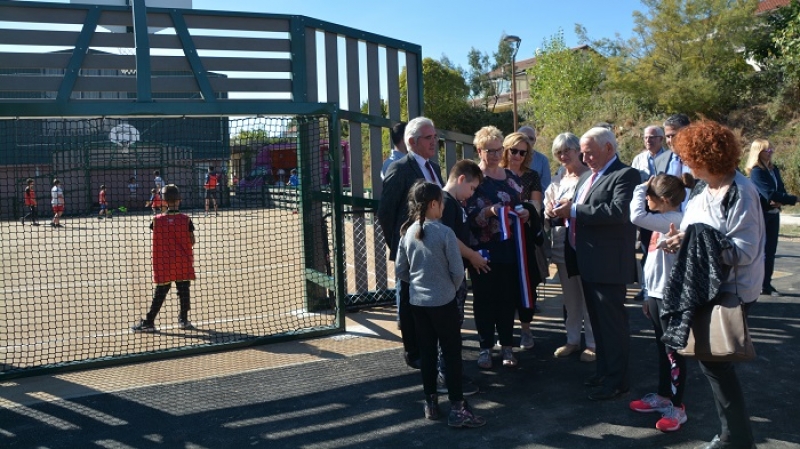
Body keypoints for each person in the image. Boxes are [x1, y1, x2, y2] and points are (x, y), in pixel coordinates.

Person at [661, 120, 764, 449]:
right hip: (704, 287)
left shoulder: (741, 192)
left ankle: (736, 439)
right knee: (714, 365)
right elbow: (695, 232)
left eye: (689, 156)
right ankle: (732, 436)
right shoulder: (704, 188)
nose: (685, 163)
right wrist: (678, 240)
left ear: (707, 156)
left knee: (717, 364)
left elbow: (745, 253)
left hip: (729, 292)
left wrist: (698, 243)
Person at [550, 127, 639, 401]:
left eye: (589, 152)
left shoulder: (626, 175)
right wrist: (564, 206)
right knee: (599, 325)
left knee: (612, 326)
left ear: (609, 149)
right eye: (583, 153)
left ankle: (617, 381)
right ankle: (604, 373)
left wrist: (573, 209)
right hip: (587, 261)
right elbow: (581, 206)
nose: (584, 158)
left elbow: (617, 212)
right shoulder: (588, 176)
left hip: (608, 264)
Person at [395, 181, 486, 428]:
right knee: (451, 353)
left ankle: (431, 402)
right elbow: (457, 271)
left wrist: (418, 285)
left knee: (427, 352)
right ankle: (457, 407)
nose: (444, 206)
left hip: (418, 303)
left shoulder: (407, 233)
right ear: (434, 204)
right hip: (443, 301)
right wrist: (450, 288)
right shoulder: (445, 233)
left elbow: (401, 270)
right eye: (442, 202)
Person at [377, 116, 445, 370]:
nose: (434, 142)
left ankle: (429, 344)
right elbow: (386, 211)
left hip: (434, 247)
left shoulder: (434, 169)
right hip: (410, 247)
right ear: (412, 141)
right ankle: (412, 350)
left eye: (435, 136)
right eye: (429, 138)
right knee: (407, 298)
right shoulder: (400, 168)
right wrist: (397, 246)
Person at [464, 126, 531, 369]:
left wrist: (523, 215)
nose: (494, 155)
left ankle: (507, 346)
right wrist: (488, 212)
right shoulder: (474, 179)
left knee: (506, 300)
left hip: (510, 250)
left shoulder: (512, 178)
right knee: (484, 301)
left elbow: (521, 207)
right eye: (488, 150)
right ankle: (484, 347)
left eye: (497, 150)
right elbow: (468, 216)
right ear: (479, 151)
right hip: (482, 251)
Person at [628, 174, 689, 432]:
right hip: (656, 294)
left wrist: (640, 187)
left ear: (663, 200)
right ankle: (664, 395)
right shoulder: (662, 221)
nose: (646, 200)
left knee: (674, 352)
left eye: (649, 196)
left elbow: (635, 216)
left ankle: (677, 406)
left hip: (671, 297)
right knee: (662, 348)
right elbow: (653, 262)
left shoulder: (673, 219)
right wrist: (647, 294)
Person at [543, 133, 595, 363]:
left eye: (567, 151)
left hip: (583, 245)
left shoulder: (591, 177)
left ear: (578, 151)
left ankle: (593, 343)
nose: (563, 156)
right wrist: (548, 210)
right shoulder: (557, 180)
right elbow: (546, 210)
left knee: (587, 295)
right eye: (559, 152)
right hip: (560, 243)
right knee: (570, 297)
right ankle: (572, 339)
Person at [436, 159, 487, 397]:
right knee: (448, 329)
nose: (471, 194)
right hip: (447, 278)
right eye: (472, 188)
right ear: (461, 179)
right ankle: (448, 376)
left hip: (454, 277)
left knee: (452, 326)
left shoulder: (454, 203)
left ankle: (450, 372)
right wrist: (472, 256)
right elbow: (448, 238)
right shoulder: (446, 203)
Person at [500, 131, 544, 350]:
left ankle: (526, 329)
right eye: (513, 151)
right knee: (504, 285)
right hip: (500, 236)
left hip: (524, 236)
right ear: (505, 149)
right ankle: (505, 332)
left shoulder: (532, 176)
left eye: (522, 152)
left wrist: (526, 210)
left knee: (528, 282)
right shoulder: (496, 174)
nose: (517, 156)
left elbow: (536, 206)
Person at [132, 184, 197, 332]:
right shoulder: (186, 219)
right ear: (179, 200)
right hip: (182, 262)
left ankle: (149, 321)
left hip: (165, 262)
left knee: (160, 292)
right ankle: (184, 320)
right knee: (184, 290)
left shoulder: (156, 220)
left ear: (163, 201)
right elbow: (192, 240)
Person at [745, 139, 797, 297]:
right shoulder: (756, 171)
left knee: (771, 251)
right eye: (767, 150)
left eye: (771, 150)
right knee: (761, 251)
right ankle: (758, 283)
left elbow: (779, 190)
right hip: (762, 214)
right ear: (758, 152)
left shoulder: (774, 170)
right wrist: (794, 199)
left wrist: (781, 199)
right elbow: (768, 194)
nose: (771, 152)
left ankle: (766, 284)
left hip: (774, 214)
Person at [630, 125, 667, 302]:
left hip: (666, 209)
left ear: (662, 139)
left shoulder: (670, 159)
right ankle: (646, 288)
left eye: (652, 137)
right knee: (647, 249)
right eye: (645, 137)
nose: (648, 140)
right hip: (646, 210)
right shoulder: (638, 159)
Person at [518, 125, 551, 191]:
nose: (527, 141)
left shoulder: (542, 160)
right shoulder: (508, 156)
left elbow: (545, 188)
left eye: (531, 139)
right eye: (523, 138)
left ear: (535, 141)